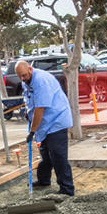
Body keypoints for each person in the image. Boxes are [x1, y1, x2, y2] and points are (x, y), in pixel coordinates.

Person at [15, 60, 75, 196]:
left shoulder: (41, 81)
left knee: (58, 157)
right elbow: (31, 101)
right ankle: (43, 180)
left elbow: (40, 109)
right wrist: (27, 112)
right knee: (46, 154)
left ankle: (67, 190)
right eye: (20, 76)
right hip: (46, 124)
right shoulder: (27, 82)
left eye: (24, 75)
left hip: (56, 121)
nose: (22, 79)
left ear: (30, 69)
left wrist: (32, 131)